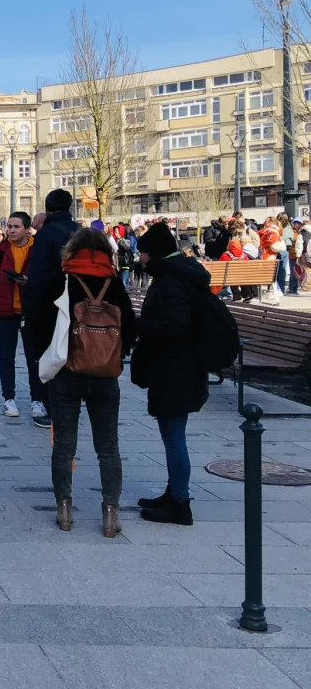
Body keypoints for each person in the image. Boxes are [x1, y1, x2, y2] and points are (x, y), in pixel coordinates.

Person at [41, 228, 136, 538]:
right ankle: (111, 515)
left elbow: (42, 321)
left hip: (67, 373)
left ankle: (64, 510)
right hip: (106, 375)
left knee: (64, 446)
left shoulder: (64, 281)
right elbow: (131, 327)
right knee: (108, 448)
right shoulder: (114, 283)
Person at [132, 222, 209, 526]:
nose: (141, 260)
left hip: (176, 368)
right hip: (177, 367)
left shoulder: (172, 282)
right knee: (171, 436)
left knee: (174, 438)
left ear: (154, 254)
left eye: (144, 254)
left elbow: (175, 327)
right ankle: (173, 492)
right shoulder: (176, 275)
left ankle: (180, 502)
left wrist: (138, 326)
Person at [23, 190, 79, 426]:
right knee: (71, 354)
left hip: (51, 304)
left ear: (47, 207)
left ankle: (53, 406)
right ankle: (73, 404)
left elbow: (37, 277)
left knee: (50, 354)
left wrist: (30, 309)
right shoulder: (81, 232)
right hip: (78, 302)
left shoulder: (45, 235)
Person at [0, 212, 47, 423]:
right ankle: (8, 398)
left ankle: (37, 399)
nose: (11, 230)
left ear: (27, 229)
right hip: (6, 311)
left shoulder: (37, 249)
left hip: (30, 311)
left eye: (16, 226)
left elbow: (47, 279)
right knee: (6, 357)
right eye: (9, 226)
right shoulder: (0, 251)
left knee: (34, 358)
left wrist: (31, 282)